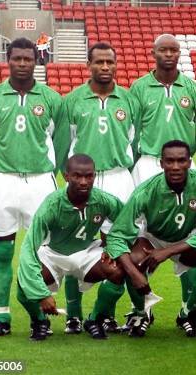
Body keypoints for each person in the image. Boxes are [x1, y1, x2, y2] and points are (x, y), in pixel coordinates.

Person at [0, 38, 64, 337]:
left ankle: (40, 317)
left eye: (28, 59)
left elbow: (61, 143)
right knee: (2, 253)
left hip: (40, 183)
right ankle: (2, 318)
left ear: (36, 61)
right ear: (8, 59)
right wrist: (0, 173)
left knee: (40, 254)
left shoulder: (52, 99)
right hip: (3, 181)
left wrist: (47, 170)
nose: (23, 63)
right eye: (17, 58)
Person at [93, 140, 196, 338]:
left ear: (189, 162)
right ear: (161, 164)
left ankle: (188, 314)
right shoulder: (146, 191)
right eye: (170, 161)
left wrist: (167, 252)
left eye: (181, 161)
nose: (176, 167)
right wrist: (133, 273)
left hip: (187, 239)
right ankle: (141, 312)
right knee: (133, 261)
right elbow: (117, 234)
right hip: (153, 238)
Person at [54, 42, 139, 333]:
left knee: (117, 246)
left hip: (119, 177)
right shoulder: (73, 100)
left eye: (110, 62)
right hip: (83, 181)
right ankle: (74, 315)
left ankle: (106, 313)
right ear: (88, 65)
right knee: (73, 242)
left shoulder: (128, 100)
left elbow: (134, 142)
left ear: (116, 65)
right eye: (99, 62)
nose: (105, 67)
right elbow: (64, 143)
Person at [16, 154, 124, 340]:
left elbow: (126, 225)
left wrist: (112, 247)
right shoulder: (52, 205)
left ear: (94, 176)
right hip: (53, 254)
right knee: (23, 285)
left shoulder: (104, 200)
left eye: (88, 176)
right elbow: (28, 248)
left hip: (87, 253)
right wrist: (41, 294)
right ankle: (39, 321)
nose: (83, 181)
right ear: (66, 176)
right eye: (77, 176)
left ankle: (95, 320)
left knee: (118, 271)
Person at [130, 34, 196, 186]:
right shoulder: (139, 88)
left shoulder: (192, 88)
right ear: (153, 53)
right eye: (163, 50)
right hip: (149, 161)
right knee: (145, 208)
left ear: (179, 53)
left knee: (183, 207)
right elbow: (132, 129)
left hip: (182, 162)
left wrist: (185, 153)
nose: (168, 54)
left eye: (173, 50)